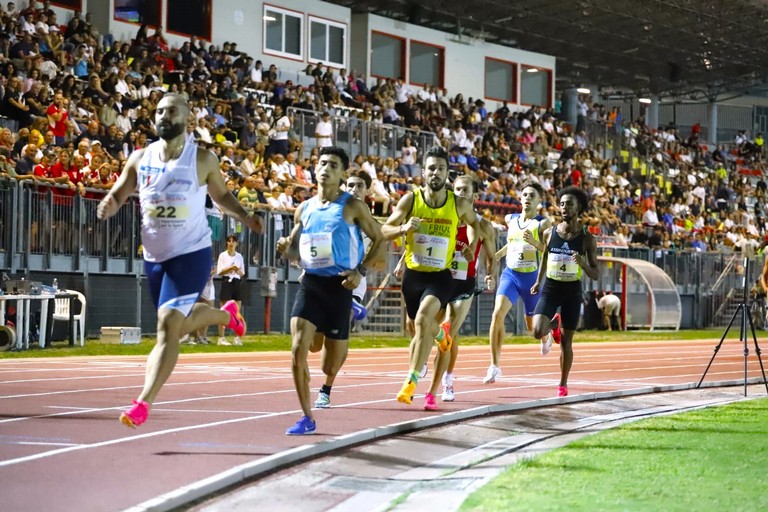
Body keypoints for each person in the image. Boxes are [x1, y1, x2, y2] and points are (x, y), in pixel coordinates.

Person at [97, 93, 263, 428]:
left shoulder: (201, 158)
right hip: (155, 258)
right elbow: (119, 191)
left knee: (167, 326)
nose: (163, 116)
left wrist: (246, 216)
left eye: (171, 110)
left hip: (192, 253)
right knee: (171, 327)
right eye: (158, 111)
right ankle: (224, 315)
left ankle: (143, 402)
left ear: (186, 117)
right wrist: (109, 204)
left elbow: (222, 195)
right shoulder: (141, 158)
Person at [276, 146, 384, 435]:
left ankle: (327, 380)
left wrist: (359, 270)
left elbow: (379, 240)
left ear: (342, 173)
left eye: (333, 165)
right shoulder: (305, 208)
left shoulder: (352, 206)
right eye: (322, 163)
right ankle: (306, 417)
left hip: (340, 287)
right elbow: (295, 252)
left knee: (328, 365)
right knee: (300, 348)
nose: (325, 168)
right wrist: (286, 249)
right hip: (311, 283)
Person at [381, 146, 479, 405]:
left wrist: (470, 245)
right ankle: (441, 337)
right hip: (413, 276)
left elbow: (473, 224)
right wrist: (403, 227)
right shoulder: (411, 200)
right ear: (423, 172)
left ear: (448, 173)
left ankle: (411, 380)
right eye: (431, 168)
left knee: (425, 318)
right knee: (415, 326)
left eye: (441, 168)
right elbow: (385, 229)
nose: (436, 172)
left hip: (440, 276)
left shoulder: (457, 203)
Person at [424, 175, 497, 408]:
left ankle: (445, 381)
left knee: (449, 333)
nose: (460, 194)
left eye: (465, 190)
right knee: (428, 325)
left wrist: (489, 273)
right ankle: (426, 357)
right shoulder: (445, 219)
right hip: (441, 280)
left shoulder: (483, 226)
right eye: (456, 190)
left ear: (474, 196)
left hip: (465, 284)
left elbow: (491, 255)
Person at [312, 169, 374, 410]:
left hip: (354, 281)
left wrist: (361, 269)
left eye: (359, 185)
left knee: (339, 337)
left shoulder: (370, 220)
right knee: (315, 345)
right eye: (350, 185)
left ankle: (326, 389)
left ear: (367, 191)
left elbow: (382, 242)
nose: (354, 189)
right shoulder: (334, 212)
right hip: (326, 278)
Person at [531, 186, 600, 397]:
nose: (564, 207)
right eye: (561, 204)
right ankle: (554, 324)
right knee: (536, 331)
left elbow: (595, 273)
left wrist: (583, 263)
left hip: (572, 291)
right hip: (551, 288)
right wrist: (537, 281)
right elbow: (544, 256)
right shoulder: (549, 232)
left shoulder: (587, 238)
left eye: (569, 204)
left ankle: (563, 383)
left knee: (567, 342)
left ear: (579, 207)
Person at [486, 182, 552, 384]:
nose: (527, 198)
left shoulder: (543, 223)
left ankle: (545, 336)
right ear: (520, 198)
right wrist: (496, 260)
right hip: (511, 275)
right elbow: (512, 243)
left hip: (531, 278)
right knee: (497, 314)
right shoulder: (510, 219)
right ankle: (494, 365)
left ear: (539, 201)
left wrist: (534, 243)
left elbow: (549, 253)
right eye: (524, 194)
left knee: (533, 330)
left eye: (532, 195)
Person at [216, 234, 245, 346]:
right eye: (229, 241)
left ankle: (236, 337)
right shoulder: (222, 256)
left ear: (236, 243)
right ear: (227, 243)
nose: (231, 243)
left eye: (233, 241)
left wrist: (236, 270)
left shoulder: (239, 257)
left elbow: (242, 273)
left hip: (236, 282)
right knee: (224, 310)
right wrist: (229, 268)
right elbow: (219, 272)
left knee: (237, 311)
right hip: (226, 281)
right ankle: (221, 337)